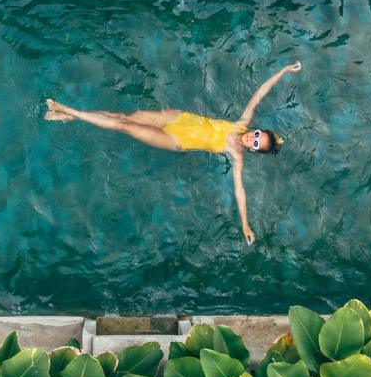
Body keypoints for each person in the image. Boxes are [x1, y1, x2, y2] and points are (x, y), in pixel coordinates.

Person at [45, 62, 302, 244]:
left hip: (175, 138)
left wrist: (245, 223)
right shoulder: (241, 123)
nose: (252, 138)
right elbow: (259, 94)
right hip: (179, 118)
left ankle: (69, 111)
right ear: (256, 130)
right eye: (257, 134)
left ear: (254, 151)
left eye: (257, 144)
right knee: (126, 116)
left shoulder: (237, 155)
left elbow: (239, 191)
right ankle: (73, 118)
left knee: (125, 126)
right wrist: (283, 71)